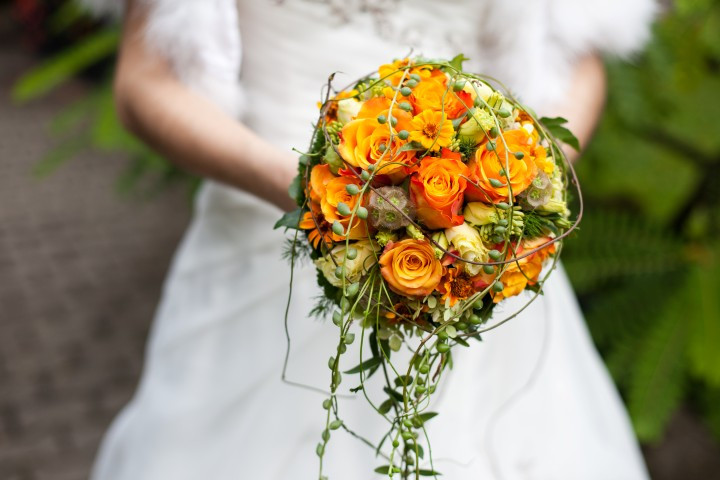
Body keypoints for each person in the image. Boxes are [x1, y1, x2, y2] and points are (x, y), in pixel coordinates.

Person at [84, 0, 657, 478]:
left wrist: (517, 191)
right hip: (260, 216)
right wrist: (312, 193)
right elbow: (145, 83)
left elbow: (579, 58)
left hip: (473, 236)